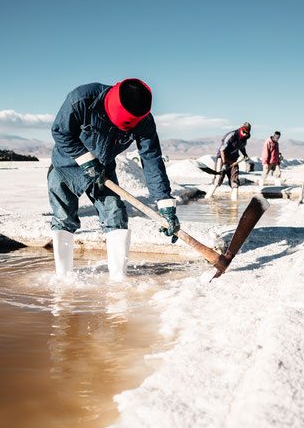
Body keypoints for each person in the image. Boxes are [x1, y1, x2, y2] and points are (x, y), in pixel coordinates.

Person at [48, 78, 179, 279]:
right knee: (64, 218)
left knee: (115, 215)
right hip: (66, 166)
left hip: (103, 171)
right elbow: (60, 132)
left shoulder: (144, 121)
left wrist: (165, 204)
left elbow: (152, 160)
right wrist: (85, 160)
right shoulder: (82, 99)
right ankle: (63, 278)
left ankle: (118, 279)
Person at [208, 122, 251, 200]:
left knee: (235, 181)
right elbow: (222, 150)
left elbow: (242, 147)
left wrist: (245, 154)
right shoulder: (231, 135)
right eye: (244, 132)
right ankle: (207, 198)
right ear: (241, 129)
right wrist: (224, 163)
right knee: (218, 179)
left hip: (233, 160)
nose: (245, 134)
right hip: (222, 158)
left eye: (247, 133)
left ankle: (234, 204)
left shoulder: (245, 138)